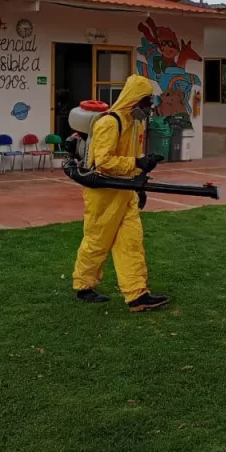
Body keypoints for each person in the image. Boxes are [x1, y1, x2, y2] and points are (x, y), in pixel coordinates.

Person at [72, 74, 169, 313]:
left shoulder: (135, 123)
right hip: (103, 194)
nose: (150, 107)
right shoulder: (109, 123)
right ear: (134, 99)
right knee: (97, 241)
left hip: (125, 192)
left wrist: (139, 180)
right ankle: (84, 286)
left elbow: (131, 158)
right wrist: (136, 162)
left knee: (132, 243)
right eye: (147, 101)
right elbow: (103, 161)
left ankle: (137, 295)